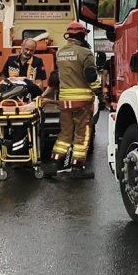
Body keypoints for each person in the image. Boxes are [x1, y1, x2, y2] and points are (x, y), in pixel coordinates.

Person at [45, 22, 99, 179]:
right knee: (82, 134)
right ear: (82, 35)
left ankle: (55, 163)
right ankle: (77, 166)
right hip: (82, 102)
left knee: (65, 134)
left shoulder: (60, 53)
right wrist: (100, 96)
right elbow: (91, 77)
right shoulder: (85, 53)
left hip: (64, 101)